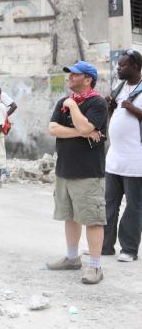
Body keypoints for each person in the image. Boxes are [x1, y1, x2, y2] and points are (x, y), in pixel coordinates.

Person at [47, 61, 108, 284]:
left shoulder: (97, 103)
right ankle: (72, 258)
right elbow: (53, 129)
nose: (69, 78)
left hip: (88, 173)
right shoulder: (62, 102)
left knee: (92, 219)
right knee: (70, 216)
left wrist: (73, 108)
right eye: (69, 74)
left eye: (74, 75)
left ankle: (95, 266)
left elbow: (86, 127)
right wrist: (81, 131)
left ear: (88, 79)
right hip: (64, 170)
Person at [103, 50, 142, 262]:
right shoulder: (118, 89)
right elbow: (115, 119)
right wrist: (111, 107)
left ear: (136, 67)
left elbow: (133, 115)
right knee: (109, 205)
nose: (118, 68)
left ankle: (129, 249)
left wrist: (132, 109)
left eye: (123, 65)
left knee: (134, 207)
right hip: (114, 160)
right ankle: (105, 245)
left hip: (136, 161)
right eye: (118, 65)